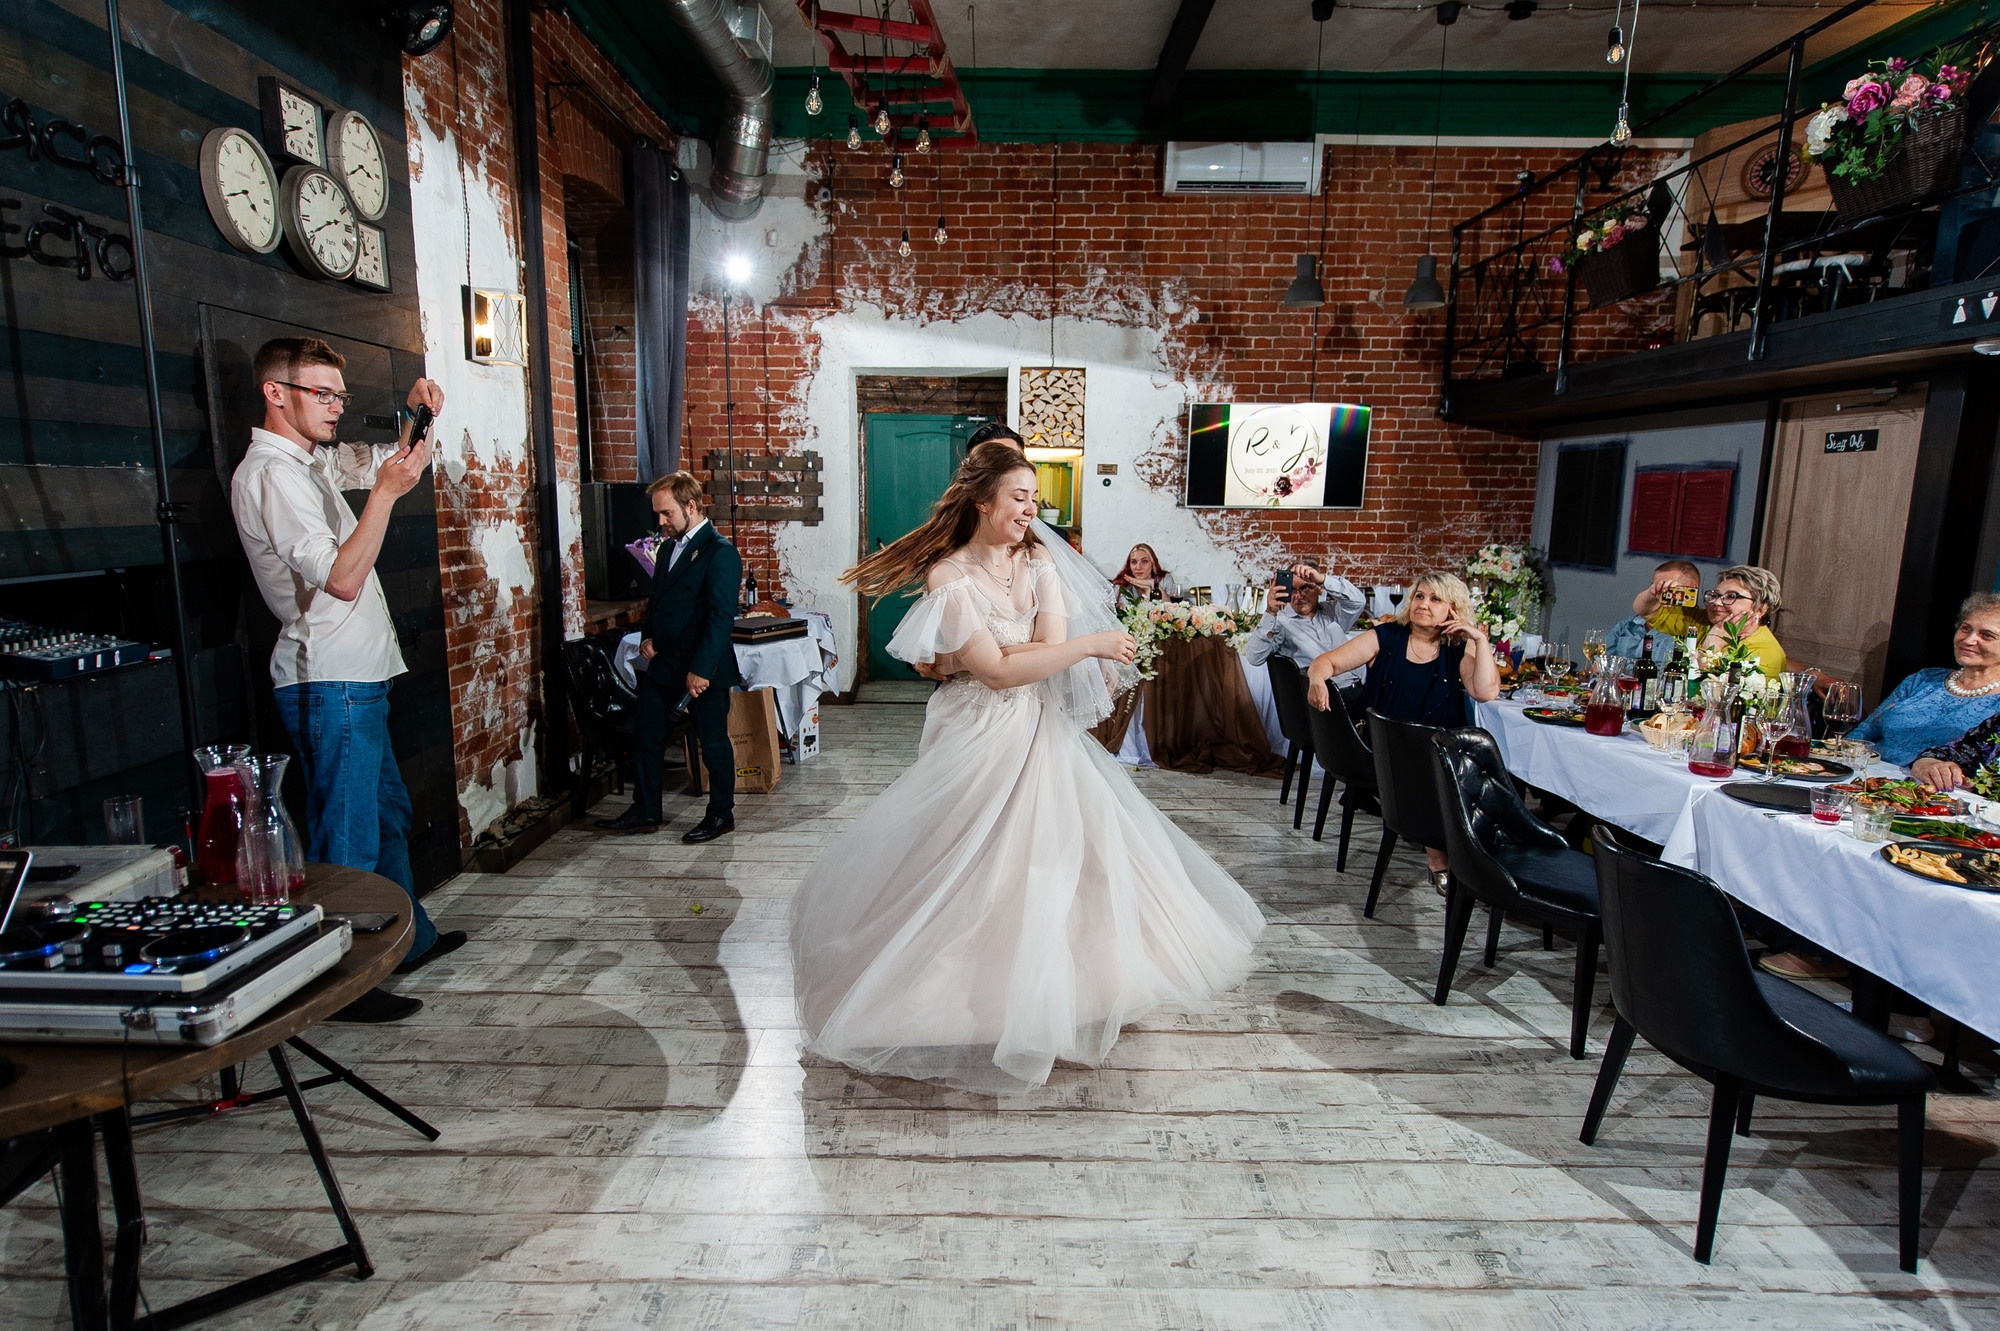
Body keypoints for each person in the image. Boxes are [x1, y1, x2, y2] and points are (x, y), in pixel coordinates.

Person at [789, 443, 1264, 1092]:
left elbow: (1037, 653)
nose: (1031, 510)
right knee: (965, 857)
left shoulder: (1039, 561)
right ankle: (947, 994)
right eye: (1019, 497)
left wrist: (995, 654)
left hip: (1038, 727)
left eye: (1035, 499)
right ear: (983, 502)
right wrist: (1080, 645)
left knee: (1058, 854)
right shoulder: (948, 577)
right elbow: (1003, 670)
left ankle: (1058, 994)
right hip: (974, 727)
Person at [229, 337, 466, 1024]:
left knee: (386, 815)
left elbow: (383, 462)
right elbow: (340, 576)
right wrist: (387, 498)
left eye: (339, 394)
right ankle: (347, 982)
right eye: (321, 394)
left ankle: (406, 941)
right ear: (276, 393)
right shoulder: (270, 476)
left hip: (360, 677)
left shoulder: (309, 463)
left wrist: (415, 421)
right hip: (327, 681)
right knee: (349, 837)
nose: (336, 407)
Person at [1302, 571, 1502, 892]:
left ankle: (1484, 857)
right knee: (1432, 770)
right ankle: (1441, 862)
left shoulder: (1458, 647)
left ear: (1453, 609)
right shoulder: (1387, 635)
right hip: (1385, 745)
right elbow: (1326, 662)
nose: (1424, 604)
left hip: (1440, 747)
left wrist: (1479, 640)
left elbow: (1485, 691)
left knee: (1483, 771)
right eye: (1420, 596)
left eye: (1435, 599)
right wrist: (1316, 679)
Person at [598, 472, 743, 843]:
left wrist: (700, 670)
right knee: (647, 736)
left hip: (702, 667)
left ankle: (720, 814)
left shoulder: (721, 552)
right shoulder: (666, 549)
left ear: (690, 506)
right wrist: (648, 636)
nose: (660, 522)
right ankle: (645, 810)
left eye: (666, 514)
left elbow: (719, 618)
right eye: (658, 514)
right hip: (664, 664)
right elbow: (657, 602)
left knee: (712, 743)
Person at [1845, 593, 2000, 767]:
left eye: (1986, 635)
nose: (1969, 640)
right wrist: (1838, 763)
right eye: (1965, 628)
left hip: (1932, 791)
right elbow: (1865, 732)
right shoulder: (1924, 678)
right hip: (1868, 777)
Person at [1632, 563, 1786, 676]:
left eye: (1731, 596)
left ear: (1760, 608)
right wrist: (1655, 592)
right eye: (1716, 595)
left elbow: (1714, 699)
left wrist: (1714, 643)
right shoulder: (1703, 621)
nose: (1717, 603)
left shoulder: (1766, 652)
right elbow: (1644, 610)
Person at [1244, 557, 1368, 689]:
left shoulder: (1333, 611)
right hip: (1327, 694)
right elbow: (1254, 658)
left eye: (1306, 588)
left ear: (1319, 589)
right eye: (1292, 590)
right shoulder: (1281, 622)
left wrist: (1323, 579)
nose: (1299, 595)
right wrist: (1270, 612)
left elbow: (1358, 602)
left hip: (1362, 686)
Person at [1604, 560, 1700, 663]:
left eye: (1667, 588)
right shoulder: (1628, 624)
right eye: (1655, 587)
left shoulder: (1694, 632)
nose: (1658, 593)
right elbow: (1600, 666)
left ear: (1692, 589)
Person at [1111, 543, 1179, 604]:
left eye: (1144, 561)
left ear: (1153, 564)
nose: (1138, 567)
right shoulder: (1122, 585)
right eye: (1134, 562)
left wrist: (1153, 585)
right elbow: (1127, 615)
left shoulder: (1165, 579)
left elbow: (1173, 610)